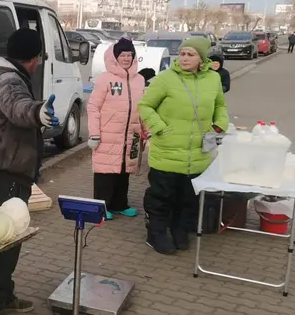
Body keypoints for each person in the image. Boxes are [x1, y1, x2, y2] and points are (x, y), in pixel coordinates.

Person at [0, 28, 59, 315]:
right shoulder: (9, 81)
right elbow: (19, 109)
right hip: (4, 172)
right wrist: (40, 113)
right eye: (38, 58)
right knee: (3, 242)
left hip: (8, 170)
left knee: (12, 238)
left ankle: (4, 295)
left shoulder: (7, 74)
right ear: (34, 58)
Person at [138, 37, 229, 255]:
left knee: (188, 197)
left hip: (198, 152)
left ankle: (179, 229)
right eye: (182, 53)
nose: (185, 58)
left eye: (191, 54)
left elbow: (220, 106)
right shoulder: (166, 79)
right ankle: (156, 233)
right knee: (161, 197)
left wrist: (219, 125)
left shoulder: (213, 79)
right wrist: (159, 127)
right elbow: (145, 105)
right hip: (167, 151)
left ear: (202, 58)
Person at [87, 38, 145, 220]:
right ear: (115, 57)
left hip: (130, 135)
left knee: (124, 171)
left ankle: (120, 204)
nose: (126, 59)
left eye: (130, 55)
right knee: (105, 173)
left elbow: (144, 108)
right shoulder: (105, 79)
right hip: (107, 135)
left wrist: (146, 130)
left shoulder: (140, 80)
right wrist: (94, 134)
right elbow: (93, 107)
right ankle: (101, 207)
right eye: (122, 55)